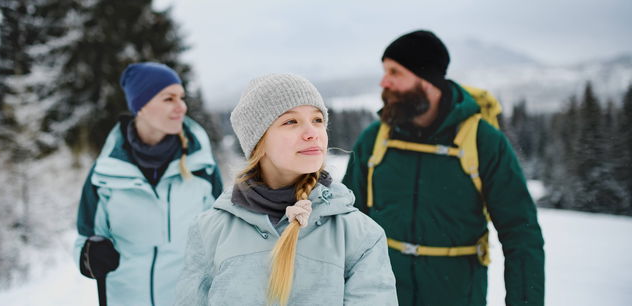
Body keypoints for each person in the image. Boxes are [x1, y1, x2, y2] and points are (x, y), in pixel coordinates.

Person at [342, 30, 545, 306]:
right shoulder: (375, 140)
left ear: (426, 81)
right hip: (382, 297)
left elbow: (521, 235)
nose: (383, 81)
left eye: (395, 72)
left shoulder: (483, 142)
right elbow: (345, 226)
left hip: (457, 296)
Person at [174, 73, 398, 306]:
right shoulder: (209, 230)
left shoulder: (360, 236)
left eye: (318, 120)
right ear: (258, 141)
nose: (312, 132)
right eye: (291, 121)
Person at [74, 62, 223, 306]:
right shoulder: (105, 174)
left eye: (181, 98)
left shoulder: (201, 167)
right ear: (140, 105)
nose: (181, 107)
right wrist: (88, 257)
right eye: (168, 99)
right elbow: (85, 239)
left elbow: (221, 235)